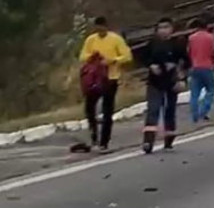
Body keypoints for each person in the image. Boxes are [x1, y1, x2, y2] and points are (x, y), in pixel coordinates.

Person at [78, 16, 133, 151]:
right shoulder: (91, 40)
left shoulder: (115, 39)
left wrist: (112, 60)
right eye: (97, 28)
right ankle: (94, 135)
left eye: (101, 28)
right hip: (94, 78)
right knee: (89, 108)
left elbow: (127, 56)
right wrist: (91, 57)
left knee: (107, 110)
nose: (99, 30)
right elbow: (82, 56)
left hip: (110, 77)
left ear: (106, 27)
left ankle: (104, 141)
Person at [143, 18, 188, 154]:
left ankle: (169, 140)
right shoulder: (152, 44)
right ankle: (148, 141)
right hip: (155, 81)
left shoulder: (178, 44)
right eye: (160, 27)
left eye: (166, 27)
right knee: (153, 109)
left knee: (170, 110)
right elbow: (144, 58)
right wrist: (151, 66)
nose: (163, 30)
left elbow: (186, 62)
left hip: (171, 81)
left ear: (171, 29)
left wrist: (182, 78)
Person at [188, 18, 214, 123]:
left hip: (194, 67)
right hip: (206, 67)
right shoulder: (210, 37)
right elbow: (213, 53)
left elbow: (189, 52)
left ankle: (194, 116)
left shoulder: (191, 38)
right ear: (207, 26)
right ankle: (203, 111)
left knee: (194, 94)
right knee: (210, 90)